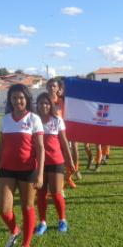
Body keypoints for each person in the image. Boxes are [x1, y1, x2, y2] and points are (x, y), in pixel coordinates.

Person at [0, 84, 44, 247]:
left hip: (28, 171)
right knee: (3, 209)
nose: (17, 101)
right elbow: (0, 146)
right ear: (10, 100)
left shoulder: (34, 119)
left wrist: (40, 174)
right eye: (13, 98)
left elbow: (41, 148)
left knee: (27, 208)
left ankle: (25, 246)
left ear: (27, 99)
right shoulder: (5, 120)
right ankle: (14, 230)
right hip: (6, 170)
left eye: (20, 97)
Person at [34, 92, 76, 235]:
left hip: (56, 161)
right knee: (41, 194)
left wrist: (70, 160)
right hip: (38, 163)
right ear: (37, 105)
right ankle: (42, 222)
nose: (44, 105)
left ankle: (62, 220)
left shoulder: (57, 120)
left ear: (50, 105)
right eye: (41, 103)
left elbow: (64, 142)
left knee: (56, 193)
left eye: (46, 103)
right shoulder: (33, 120)